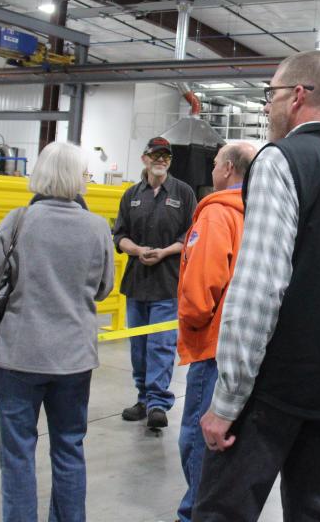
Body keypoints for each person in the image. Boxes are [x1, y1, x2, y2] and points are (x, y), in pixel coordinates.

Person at [192, 50, 320, 521]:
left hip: (270, 391)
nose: (267, 107)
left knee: (222, 512)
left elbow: (259, 291)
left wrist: (226, 402)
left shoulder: (279, 161)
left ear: (298, 96)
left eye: (271, 95)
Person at [0, 141, 115, 522]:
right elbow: (103, 288)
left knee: (17, 452)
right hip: (75, 357)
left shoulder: (18, 221)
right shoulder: (98, 227)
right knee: (69, 447)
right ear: (77, 178)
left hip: (21, 353)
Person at [175, 141, 256, 522]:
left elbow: (200, 288)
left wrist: (191, 324)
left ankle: (193, 514)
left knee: (195, 439)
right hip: (250, 345)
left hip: (211, 347)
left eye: (214, 164)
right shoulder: (262, 212)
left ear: (226, 169)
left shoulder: (216, 214)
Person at [113, 136, 197, 429]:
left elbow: (192, 235)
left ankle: (159, 403)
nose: (161, 160)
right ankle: (144, 399)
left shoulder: (183, 193)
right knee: (138, 346)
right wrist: (136, 250)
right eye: (156, 155)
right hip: (137, 283)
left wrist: (165, 251)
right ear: (144, 159)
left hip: (168, 283)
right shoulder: (131, 195)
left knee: (160, 344)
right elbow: (119, 235)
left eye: (166, 156)